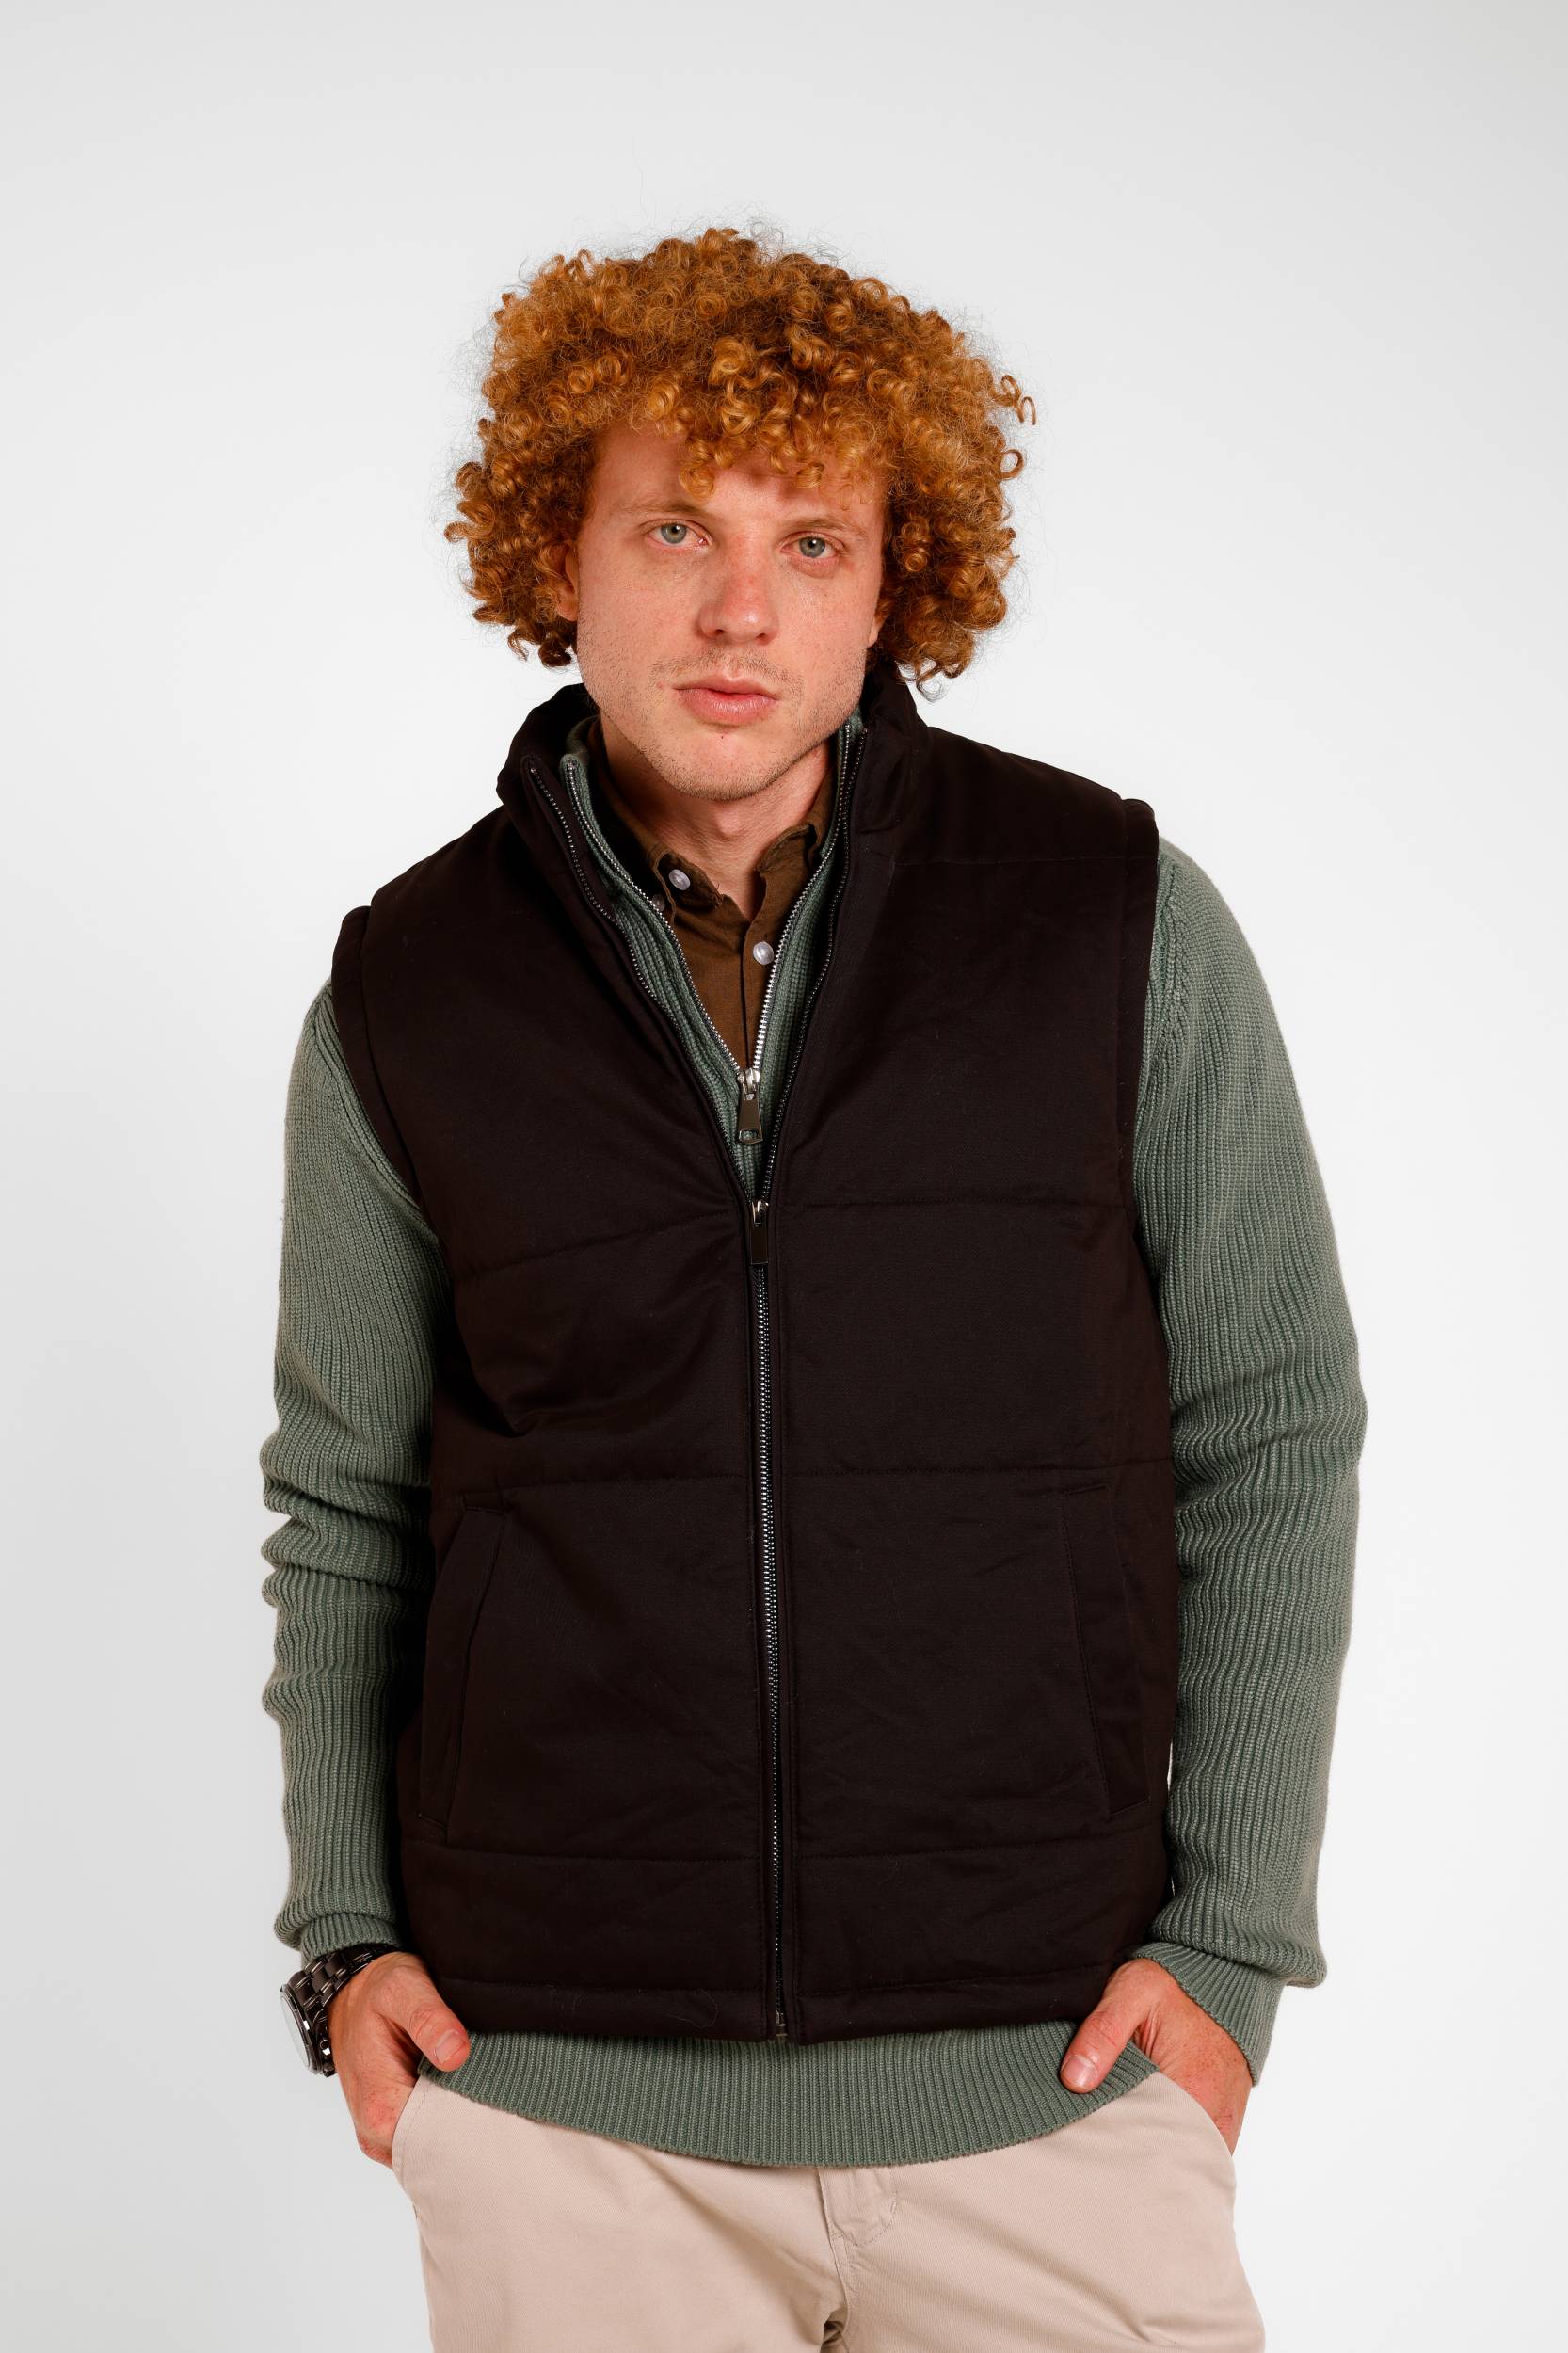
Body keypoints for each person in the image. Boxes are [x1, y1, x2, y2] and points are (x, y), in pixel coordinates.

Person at [261, 223, 1367, 2351]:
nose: (740, 607)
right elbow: (349, 1501)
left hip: (1049, 2085)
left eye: (812, 540)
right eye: (674, 526)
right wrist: (346, 1942)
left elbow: (1270, 1426)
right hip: (566, 2110)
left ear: (891, 584)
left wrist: (1231, 1947)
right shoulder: (410, 991)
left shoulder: (1107, 920)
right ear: (560, 556)